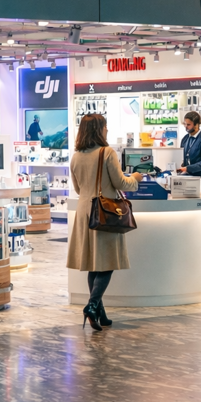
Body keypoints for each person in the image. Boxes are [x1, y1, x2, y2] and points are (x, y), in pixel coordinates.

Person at [67, 113, 142, 331]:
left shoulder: (76, 156)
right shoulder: (106, 153)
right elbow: (121, 182)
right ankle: (91, 306)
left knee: (93, 263)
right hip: (103, 212)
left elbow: (78, 189)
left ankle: (100, 312)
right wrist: (136, 178)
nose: (107, 130)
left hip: (85, 211)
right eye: (105, 127)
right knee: (107, 263)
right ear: (99, 130)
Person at [176, 112, 201, 177]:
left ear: (196, 125)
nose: (186, 126)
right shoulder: (185, 139)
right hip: (185, 178)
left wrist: (188, 168)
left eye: (188, 124)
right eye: (185, 124)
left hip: (200, 179)